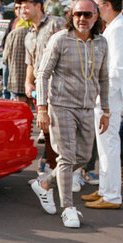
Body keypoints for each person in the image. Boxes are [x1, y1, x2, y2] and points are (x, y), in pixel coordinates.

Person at [32, 0, 109, 228]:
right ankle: (68, 208)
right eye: (78, 14)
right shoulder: (60, 39)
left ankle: (44, 184)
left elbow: (104, 78)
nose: (82, 19)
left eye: (87, 14)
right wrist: (42, 110)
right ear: (71, 15)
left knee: (83, 158)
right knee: (66, 157)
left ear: (96, 17)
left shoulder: (102, 43)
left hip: (87, 108)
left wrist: (106, 110)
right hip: (61, 106)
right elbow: (42, 74)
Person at [83, 0, 122, 209]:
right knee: (105, 147)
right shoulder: (114, 27)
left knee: (109, 146)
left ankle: (112, 195)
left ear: (107, 4)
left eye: (98, 3)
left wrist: (106, 103)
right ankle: (107, 189)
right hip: (106, 98)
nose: (95, 8)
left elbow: (116, 70)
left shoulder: (117, 29)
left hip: (109, 100)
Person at [23, 0, 65, 179]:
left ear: (38, 6)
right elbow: (31, 62)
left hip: (60, 86)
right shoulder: (29, 34)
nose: (22, 11)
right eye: (20, 7)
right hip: (41, 89)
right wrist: (27, 82)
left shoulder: (57, 23)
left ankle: (73, 172)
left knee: (63, 131)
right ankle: (51, 166)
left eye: (26, 6)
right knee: (46, 130)